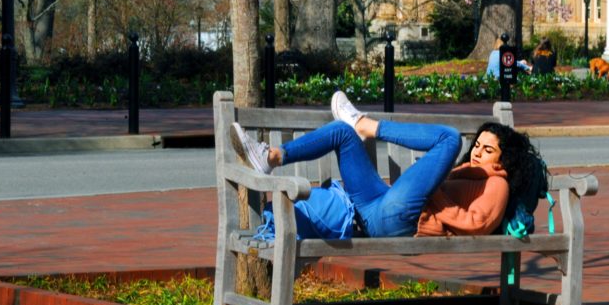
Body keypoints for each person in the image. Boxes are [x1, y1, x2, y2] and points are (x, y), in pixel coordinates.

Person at [229, 90, 546, 238]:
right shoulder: (468, 171)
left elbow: (477, 223)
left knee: (450, 139)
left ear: (505, 158)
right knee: (342, 133)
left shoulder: (498, 184)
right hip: (377, 203)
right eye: (477, 144)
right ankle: (270, 158)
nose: (476, 152)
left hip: (399, 220)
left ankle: (367, 124)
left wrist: (432, 193)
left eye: (487, 149)